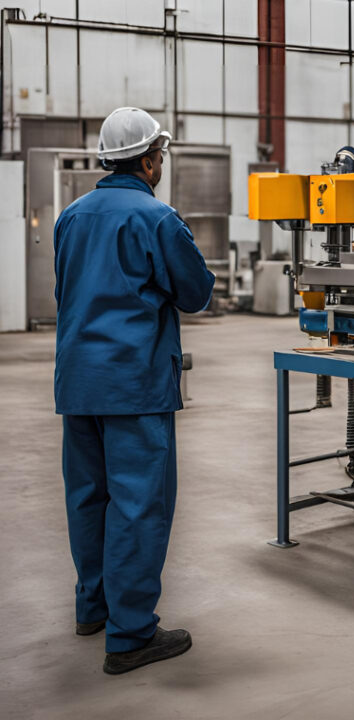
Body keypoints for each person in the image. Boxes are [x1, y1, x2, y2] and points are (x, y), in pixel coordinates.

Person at [54, 107, 215, 676]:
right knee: (137, 505)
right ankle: (131, 635)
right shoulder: (157, 218)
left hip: (78, 381)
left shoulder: (70, 217)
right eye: (161, 157)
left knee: (87, 498)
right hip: (134, 385)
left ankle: (92, 609)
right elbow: (195, 293)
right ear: (149, 160)